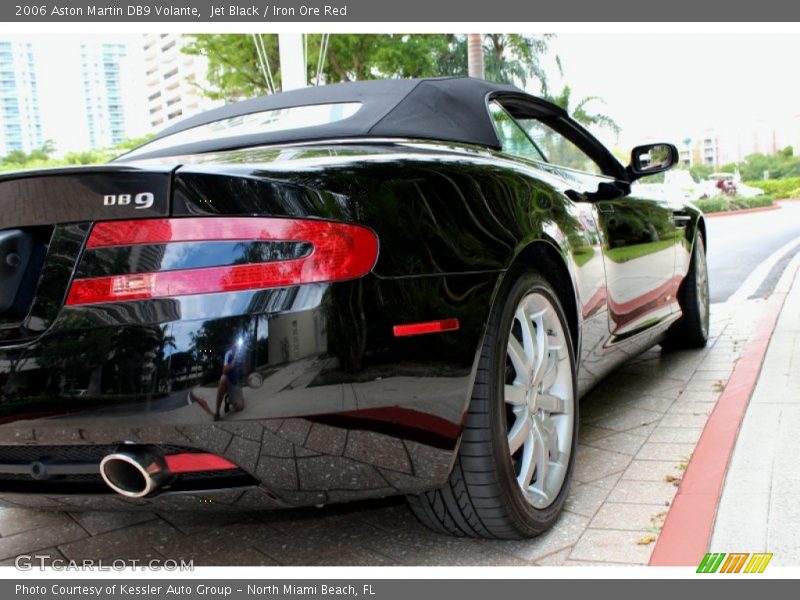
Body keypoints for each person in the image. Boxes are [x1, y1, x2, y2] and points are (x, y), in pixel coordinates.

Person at [214, 339, 245, 421]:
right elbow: (224, 370)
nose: (237, 347)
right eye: (235, 345)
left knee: (240, 407)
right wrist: (234, 360)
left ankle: (229, 399)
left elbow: (246, 370)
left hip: (236, 384)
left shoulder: (242, 354)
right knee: (223, 378)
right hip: (228, 382)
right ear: (232, 345)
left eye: (238, 346)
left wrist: (245, 360)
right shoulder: (229, 354)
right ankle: (217, 413)